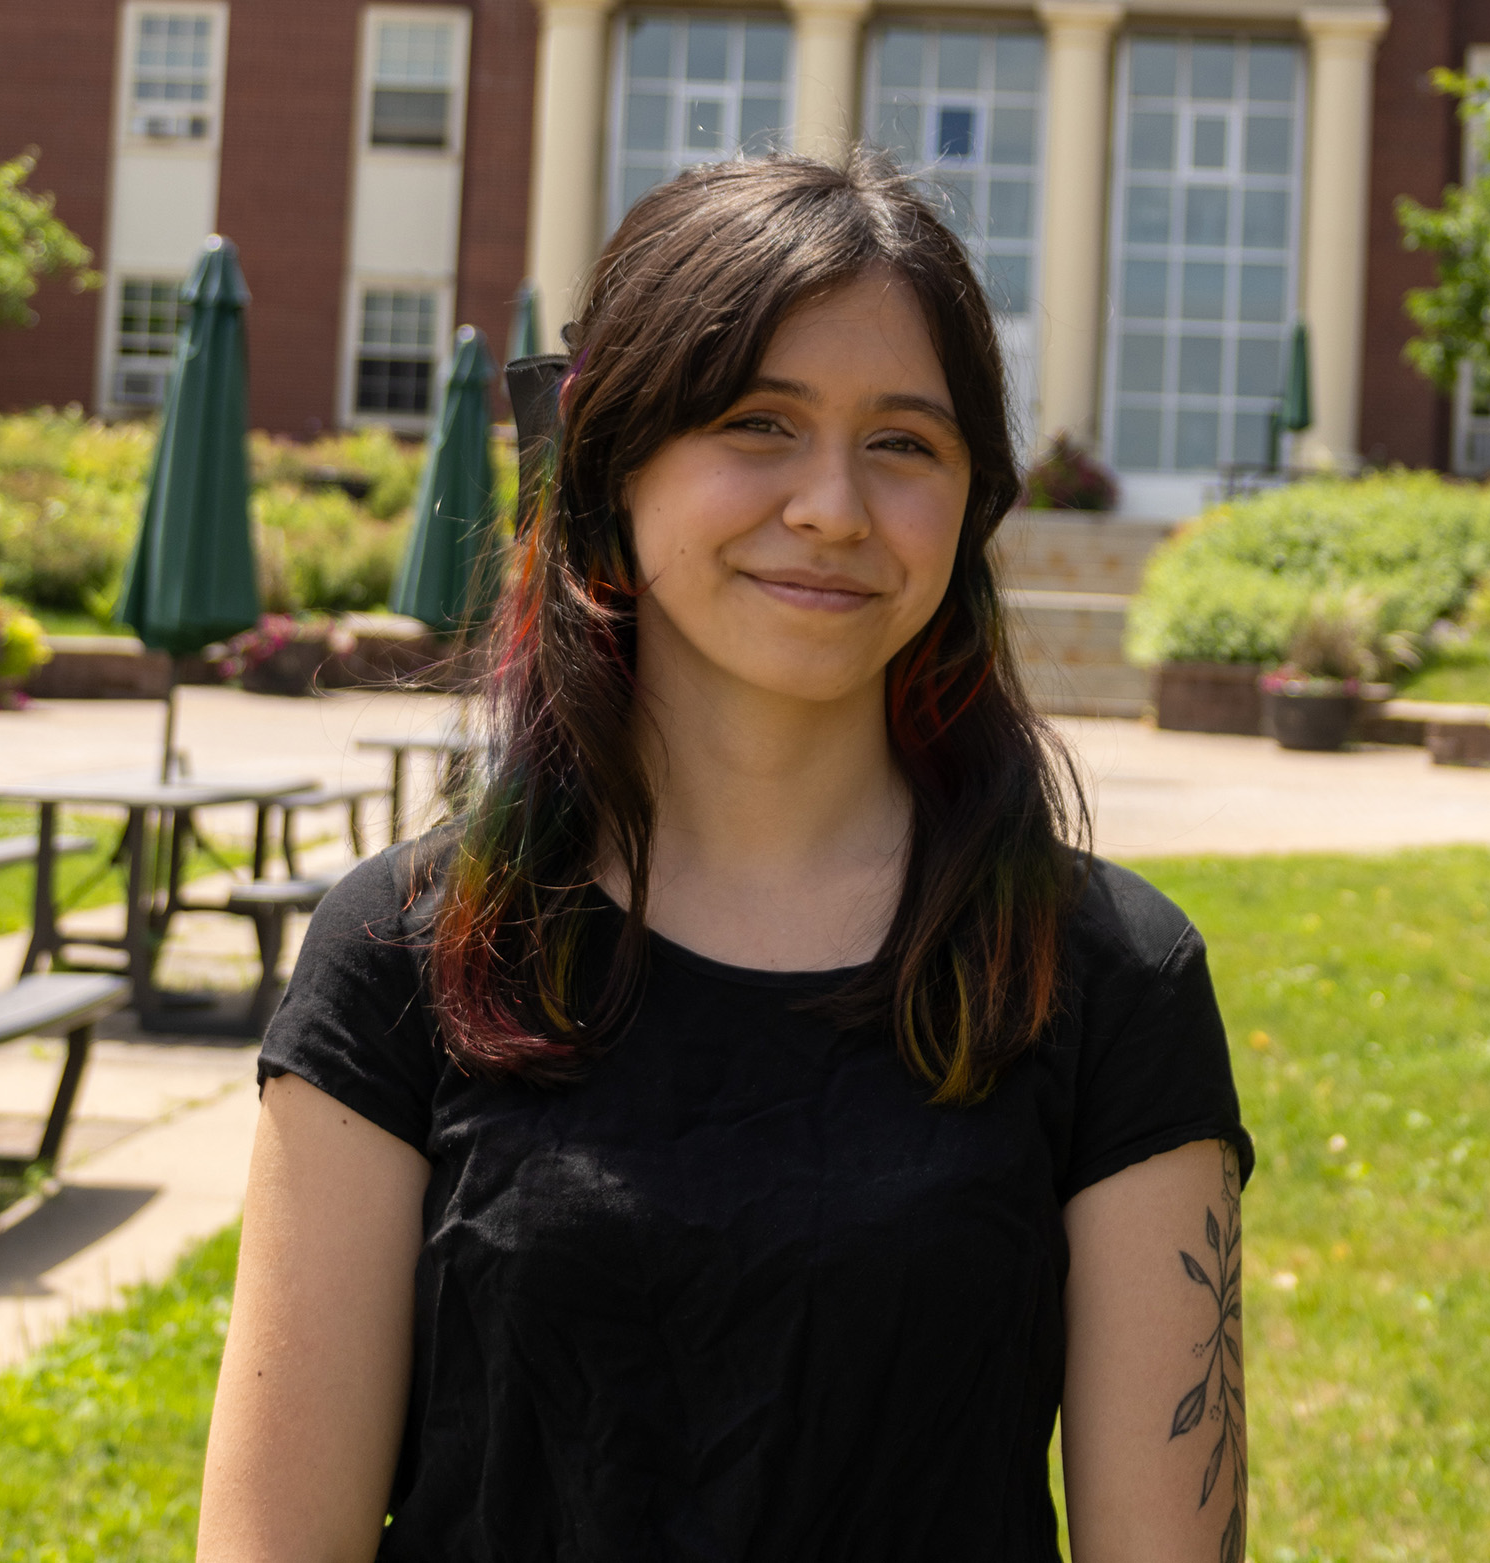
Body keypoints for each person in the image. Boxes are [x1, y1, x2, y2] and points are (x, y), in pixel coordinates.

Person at [195, 151, 1252, 1563]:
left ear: (968, 506)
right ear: (615, 467)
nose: (832, 506)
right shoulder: (402, 953)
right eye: (759, 423)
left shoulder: (1111, 978)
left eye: (905, 444)